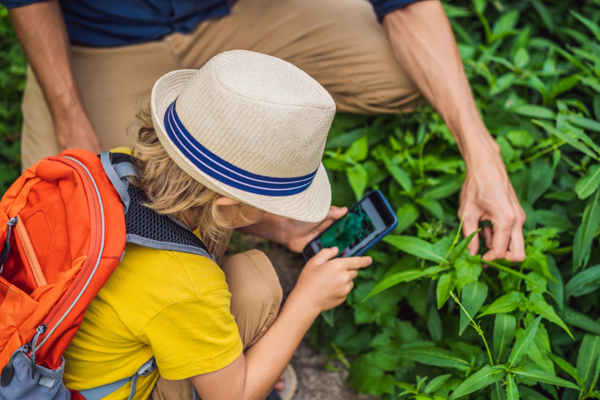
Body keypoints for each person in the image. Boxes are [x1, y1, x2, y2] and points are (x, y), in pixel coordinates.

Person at [3, 0, 526, 263]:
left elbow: (404, 3)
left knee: (398, 73)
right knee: (68, 217)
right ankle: (239, 209)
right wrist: (70, 115)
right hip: (98, 39)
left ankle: (230, 166)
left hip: (241, 13)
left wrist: (483, 155)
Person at [63, 50, 372, 400]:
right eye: (265, 206)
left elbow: (194, 213)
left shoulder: (119, 167)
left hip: (54, 361)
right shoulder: (189, 287)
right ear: (228, 204)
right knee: (255, 285)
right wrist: (307, 301)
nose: (271, 211)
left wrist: (280, 229)